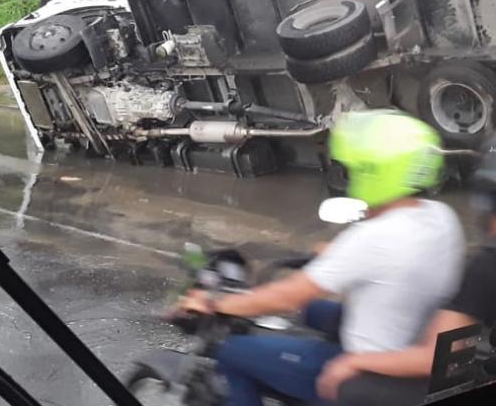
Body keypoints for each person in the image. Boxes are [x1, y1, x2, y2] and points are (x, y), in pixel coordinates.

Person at [176, 110, 465, 406]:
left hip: (368, 373)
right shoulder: (442, 218)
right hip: (411, 347)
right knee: (313, 310)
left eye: (351, 170)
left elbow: (287, 297)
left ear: (373, 172)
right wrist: (337, 257)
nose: (348, 176)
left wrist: (214, 304)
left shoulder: (373, 237)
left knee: (232, 351)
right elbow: (392, 267)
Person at [316, 128, 496, 406]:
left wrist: (355, 361)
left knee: (350, 386)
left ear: (485, 194)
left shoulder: (490, 265)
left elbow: (433, 360)